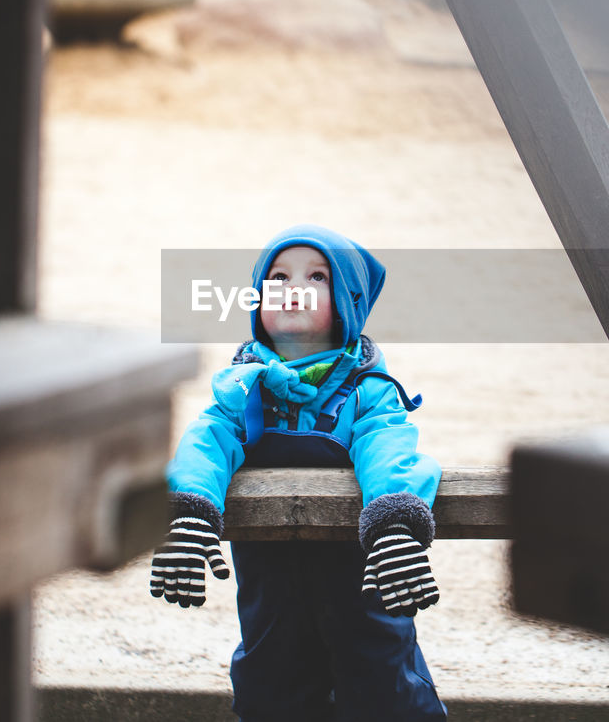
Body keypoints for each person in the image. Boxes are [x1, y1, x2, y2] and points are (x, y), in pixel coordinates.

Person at [152, 224, 447, 721]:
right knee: (270, 693)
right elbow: (205, 443)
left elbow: (390, 450)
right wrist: (191, 512)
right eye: (278, 277)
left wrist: (395, 523)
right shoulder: (242, 390)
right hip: (272, 596)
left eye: (316, 277)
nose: (293, 288)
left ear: (348, 304)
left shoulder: (366, 391)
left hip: (368, 583)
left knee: (384, 692)